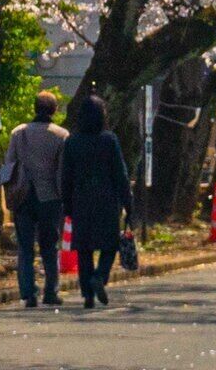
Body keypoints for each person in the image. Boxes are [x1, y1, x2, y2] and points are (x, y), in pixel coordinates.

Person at [0, 91, 70, 306]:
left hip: (23, 196)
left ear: (35, 108)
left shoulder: (18, 133)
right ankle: (51, 291)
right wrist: (62, 196)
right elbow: (61, 171)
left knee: (25, 247)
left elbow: (9, 163)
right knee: (49, 246)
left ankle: (28, 293)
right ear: (54, 110)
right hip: (50, 198)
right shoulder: (61, 135)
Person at [61, 94, 134, 308]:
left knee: (84, 248)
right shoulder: (109, 140)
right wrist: (128, 202)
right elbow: (120, 173)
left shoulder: (72, 141)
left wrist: (67, 203)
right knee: (110, 245)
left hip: (80, 200)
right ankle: (99, 277)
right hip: (107, 200)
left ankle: (87, 294)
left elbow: (66, 176)